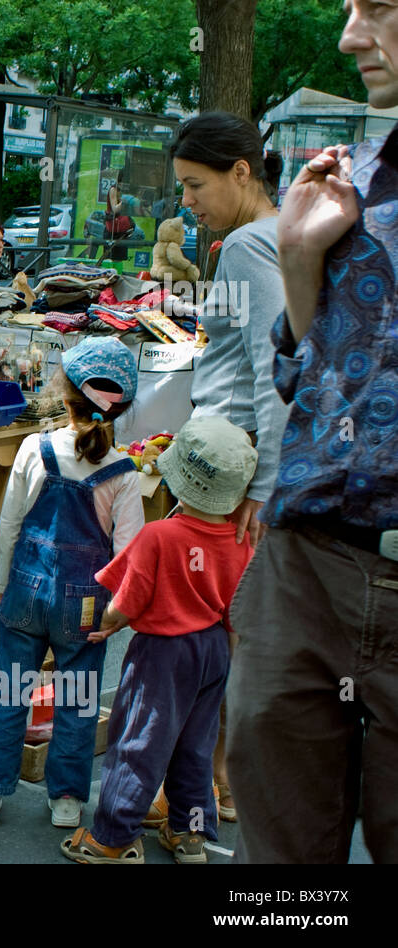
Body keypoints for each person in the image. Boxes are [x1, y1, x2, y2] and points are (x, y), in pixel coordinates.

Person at [226, 0, 398, 865]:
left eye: (384, 9)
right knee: (284, 869)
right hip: (306, 567)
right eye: (350, 8)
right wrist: (299, 259)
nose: (350, 36)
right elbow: (310, 377)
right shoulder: (353, 178)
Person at [0, 337, 143, 829]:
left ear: (64, 394)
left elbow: (9, 526)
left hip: (24, 591)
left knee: (8, 693)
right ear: (122, 407)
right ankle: (67, 801)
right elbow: (128, 555)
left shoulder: (31, 447)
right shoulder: (124, 472)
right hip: (85, 608)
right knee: (79, 703)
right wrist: (118, 617)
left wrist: (2, 587)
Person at [61, 417, 256, 864]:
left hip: (163, 655)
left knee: (138, 741)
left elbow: (128, 602)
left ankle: (112, 836)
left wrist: (107, 623)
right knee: (195, 743)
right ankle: (189, 834)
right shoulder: (241, 541)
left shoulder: (159, 535)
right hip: (213, 650)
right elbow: (238, 612)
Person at [165, 111, 286, 824]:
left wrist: (262, 488)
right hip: (241, 456)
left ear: (242, 172)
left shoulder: (245, 244)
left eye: (195, 184)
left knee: (206, 630)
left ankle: (209, 779)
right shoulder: (277, 236)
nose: (187, 201)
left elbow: (275, 369)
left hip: (229, 465)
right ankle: (213, 777)